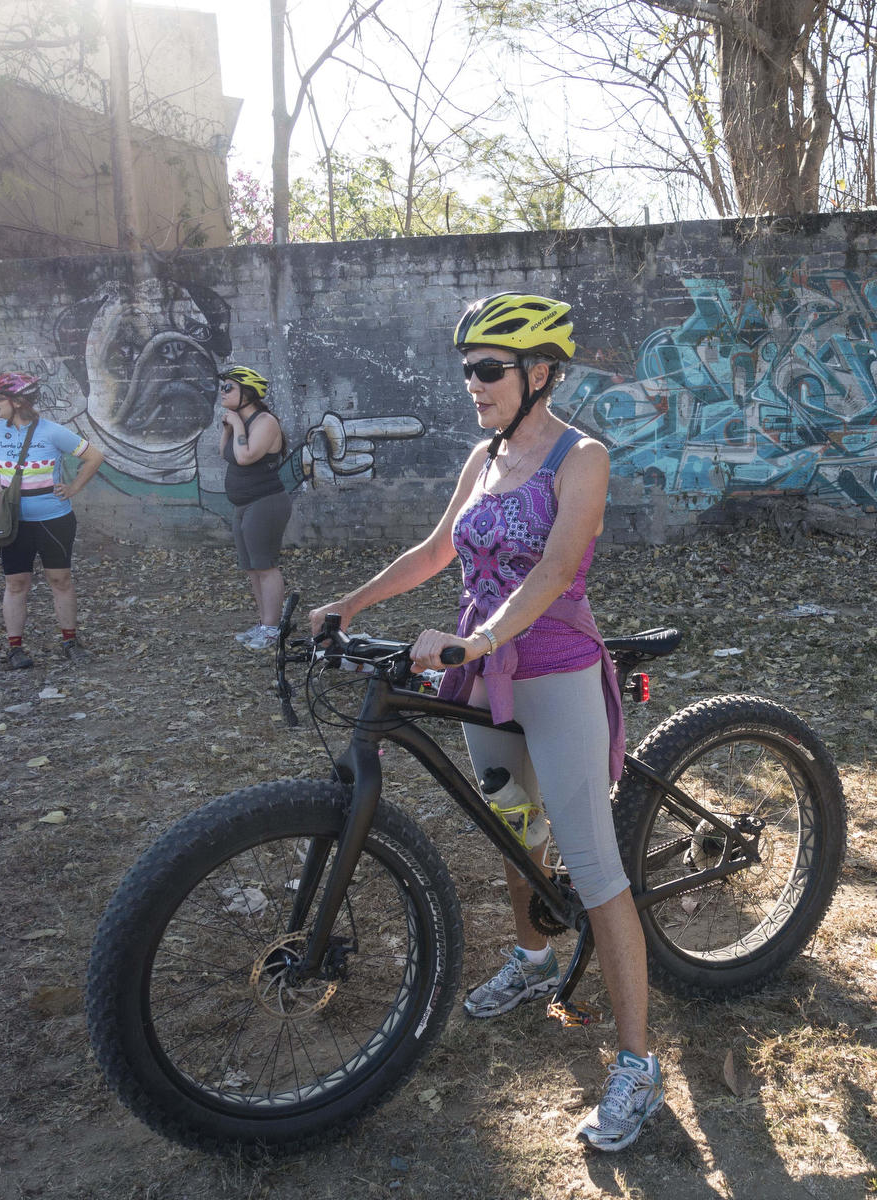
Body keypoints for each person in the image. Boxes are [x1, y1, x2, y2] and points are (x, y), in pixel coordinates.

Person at [309, 293, 663, 1152]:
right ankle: (534, 959)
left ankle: (637, 1066)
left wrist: (477, 640)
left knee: (593, 861)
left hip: (553, 672)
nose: (474, 383)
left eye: (489, 369)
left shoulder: (583, 458)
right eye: (468, 369)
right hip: (485, 680)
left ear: (541, 373)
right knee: (513, 826)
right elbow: (436, 551)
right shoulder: (485, 456)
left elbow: (552, 570)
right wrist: (349, 605)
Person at [0, 372, 106, 669]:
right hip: (13, 522)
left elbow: (95, 456)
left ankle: (70, 641)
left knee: (60, 579)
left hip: (54, 519)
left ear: (18, 402)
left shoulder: (52, 431)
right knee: (16, 583)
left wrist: (73, 488)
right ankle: (15, 648)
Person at [216, 363, 293, 649]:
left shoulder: (265, 422)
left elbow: (246, 456)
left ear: (247, 393)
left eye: (228, 388)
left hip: (266, 503)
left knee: (266, 566)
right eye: (222, 388)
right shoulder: (239, 421)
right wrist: (229, 426)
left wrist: (236, 424)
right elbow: (226, 454)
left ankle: (273, 629)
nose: (222, 393)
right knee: (251, 568)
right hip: (243, 504)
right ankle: (263, 623)